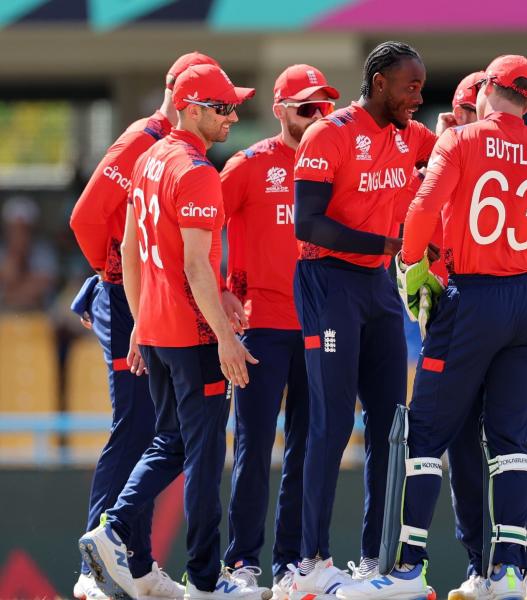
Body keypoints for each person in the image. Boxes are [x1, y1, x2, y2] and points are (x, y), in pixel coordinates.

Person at [335, 53, 527, 600]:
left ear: (489, 90)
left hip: (469, 297)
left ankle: (408, 569)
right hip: (524, 300)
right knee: (512, 443)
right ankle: (510, 571)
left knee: (425, 435)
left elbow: (423, 208)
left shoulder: (463, 140)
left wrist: (411, 264)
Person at [79, 63, 270, 600]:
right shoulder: (196, 170)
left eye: (234, 106)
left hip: (159, 334)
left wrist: (140, 322)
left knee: (172, 443)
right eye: (222, 107)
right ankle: (203, 581)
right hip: (192, 337)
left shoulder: (150, 160)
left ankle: (113, 531)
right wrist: (226, 337)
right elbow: (195, 268)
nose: (233, 116)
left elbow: (131, 255)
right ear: (190, 107)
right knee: (203, 459)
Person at [289, 41, 438, 599]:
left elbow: (454, 147)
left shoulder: (409, 134)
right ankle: (309, 561)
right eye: (410, 86)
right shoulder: (329, 134)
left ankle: (372, 559)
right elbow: (307, 223)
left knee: (387, 422)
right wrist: (385, 241)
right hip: (328, 284)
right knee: (331, 422)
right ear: (378, 82)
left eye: (421, 87)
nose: (417, 97)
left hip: (378, 287)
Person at [68, 51, 218, 600]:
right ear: (183, 97)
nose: (223, 114)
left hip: (144, 294)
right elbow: (86, 218)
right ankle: (99, 565)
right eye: (216, 103)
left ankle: (131, 560)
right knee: (136, 426)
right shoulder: (143, 140)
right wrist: (106, 278)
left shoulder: (166, 146)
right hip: (130, 297)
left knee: (154, 430)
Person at [440, 71, 527, 600]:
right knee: (465, 445)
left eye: (479, 109)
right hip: (461, 320)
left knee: (520, 444)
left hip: (512, 319)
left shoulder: (518, 160)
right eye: (466, 114)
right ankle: (479, 565)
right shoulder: (448, 158)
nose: (477, 122)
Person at [220, 63, 341, 600]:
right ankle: (242, 561)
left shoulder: (335, 164)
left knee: (309, 448)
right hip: (262, 325)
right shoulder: (248, 165)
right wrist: (223, 287)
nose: (318, 116)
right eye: (306, 108)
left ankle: (293, 564)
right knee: (253, 447)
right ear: (280, 111)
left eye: (325, 107)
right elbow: (196, 223)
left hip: (319, 327)